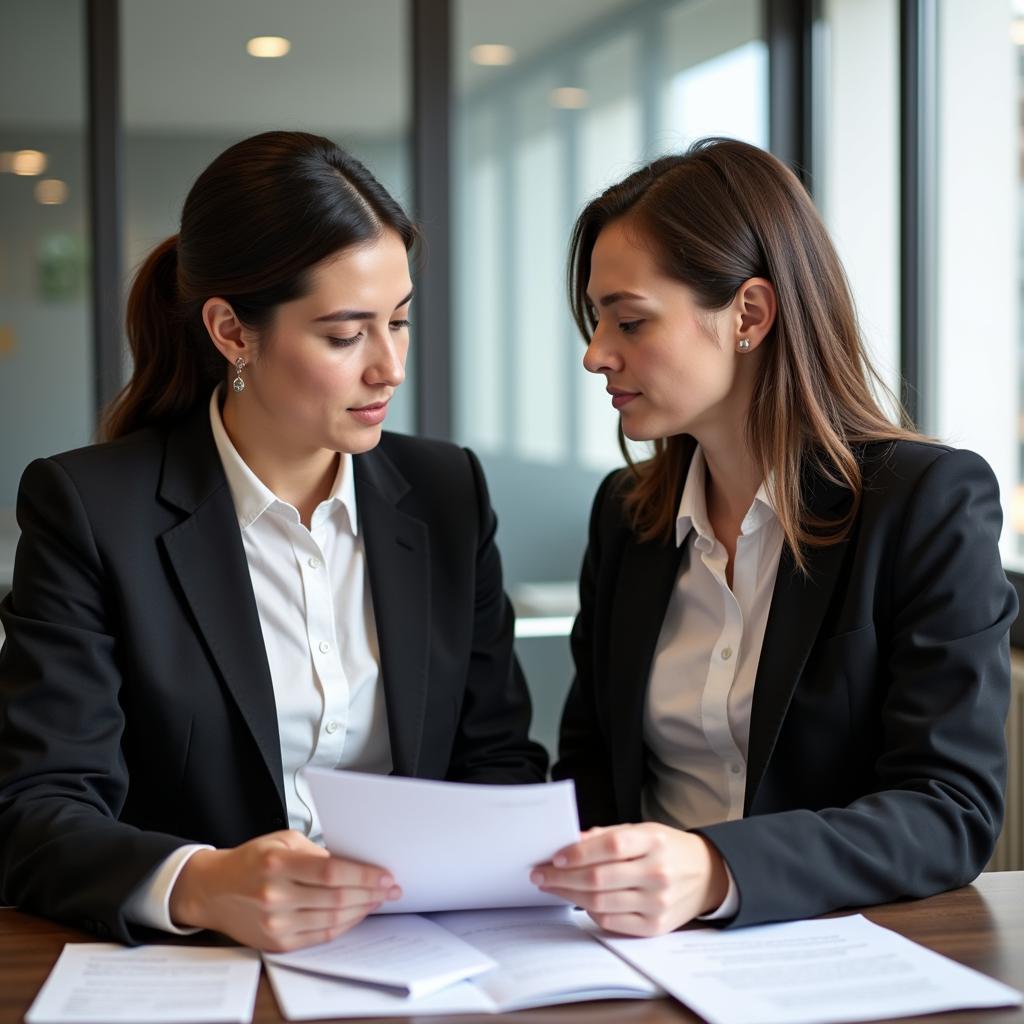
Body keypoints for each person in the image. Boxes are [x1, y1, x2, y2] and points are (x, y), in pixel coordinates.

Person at [0, 130, 546, 951]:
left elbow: (497, 763)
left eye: (399, 322)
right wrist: (203, 885)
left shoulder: (447, 495)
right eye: (344, 334)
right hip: (199, 965)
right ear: (231, 331)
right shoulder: (90, 509)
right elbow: (36, 811)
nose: (389, 366)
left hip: (426, 958)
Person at [532, 138, 1016, 936]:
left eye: (629, 321)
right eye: (595, 321)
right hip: (624, 951)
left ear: (748, 314)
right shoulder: (627, 515)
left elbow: (949, 810)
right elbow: (589, 774)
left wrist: (716, 869)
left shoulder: (924, 503)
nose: (595, 355)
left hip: (831, 956)